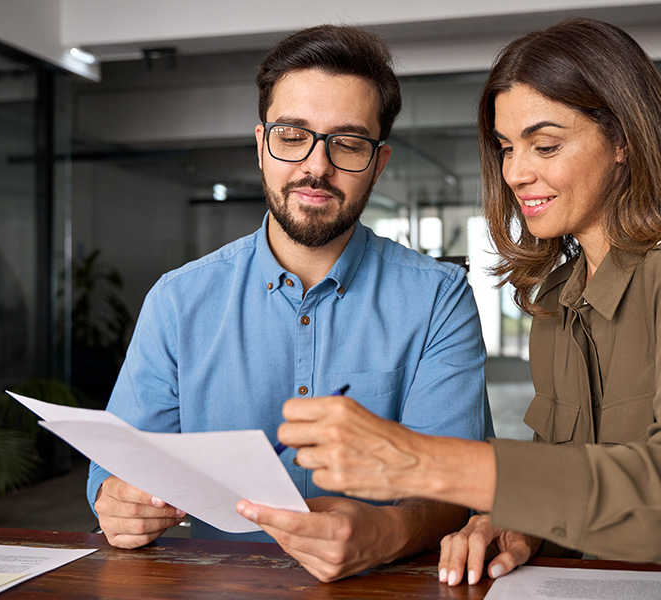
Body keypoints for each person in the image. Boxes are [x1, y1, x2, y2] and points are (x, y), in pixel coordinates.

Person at [274, 17, 661, 587]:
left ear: (623, 141)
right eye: (506, 148)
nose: (516, 173)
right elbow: (581, 487)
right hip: (631, 569)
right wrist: (522, 525)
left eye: (545, 145)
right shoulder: (558, 301)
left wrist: (423, 462)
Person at [86, 24, 491, 582]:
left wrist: (384, 533)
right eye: (293, 135)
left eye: (347, 143)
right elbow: (116, 466)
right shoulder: (178, 301)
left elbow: (457, 488)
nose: (316, 166)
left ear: (379, 161)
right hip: (219, 587)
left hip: (387, 589)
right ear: (261, 145)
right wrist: (115, 499)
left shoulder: (438, 299)